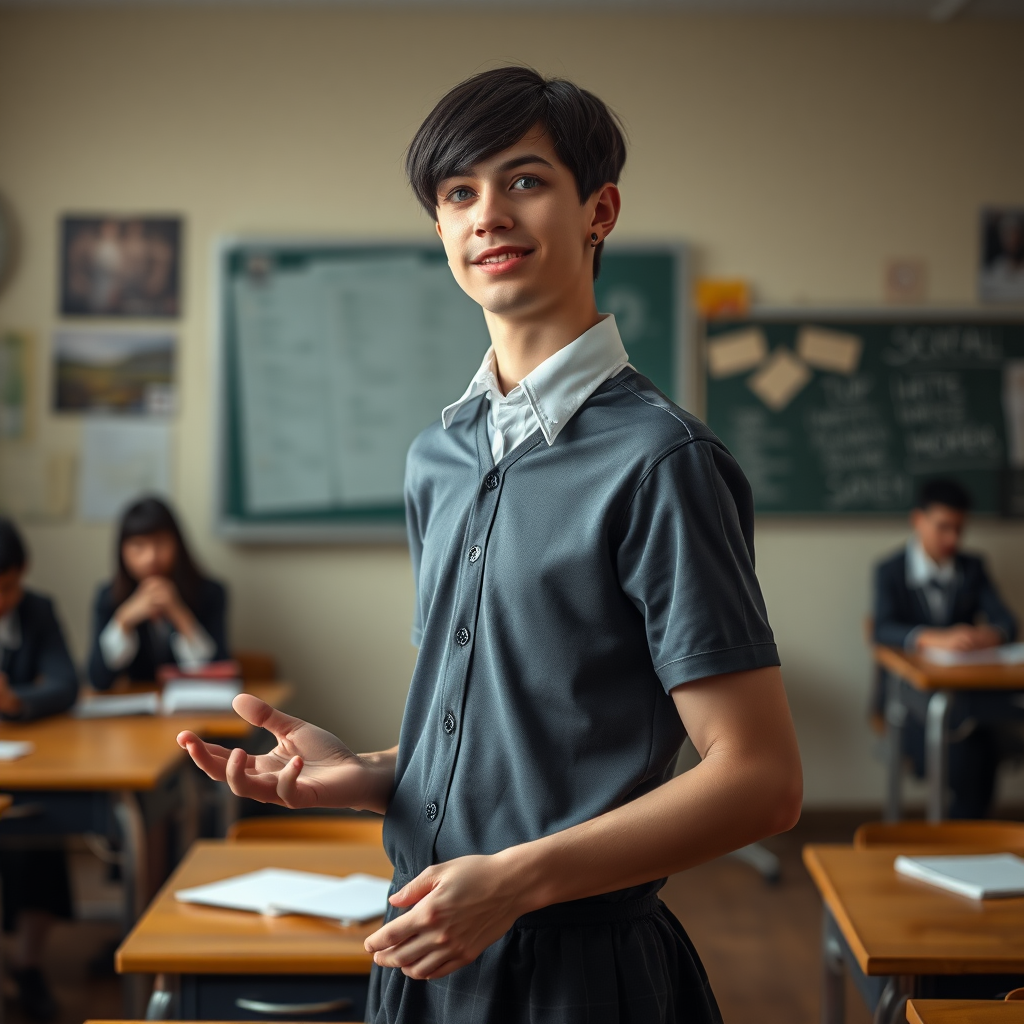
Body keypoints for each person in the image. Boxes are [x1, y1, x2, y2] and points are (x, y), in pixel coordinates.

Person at [178, 66, 802, 1024]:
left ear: (600, 210)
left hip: (579, 975)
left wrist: (515, 881)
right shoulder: (439, 456)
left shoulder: (660, 460)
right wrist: (376, 775)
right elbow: (524, 730)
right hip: (425, 948)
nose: (487, 215)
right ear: (439, 230)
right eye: (458, 193)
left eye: (524, 182)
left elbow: (760, 782)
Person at [873, 478, 1019, 819]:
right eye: (943, 528)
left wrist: (989, 635)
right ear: (918, 520)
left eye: (960, 529)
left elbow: (1007, 623)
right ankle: (960, 837)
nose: (952, 539)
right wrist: (932, 637)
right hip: (912, 702)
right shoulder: (890, 571)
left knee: (983, 746)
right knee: (971, 757)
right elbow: (882, 629)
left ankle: (967, 836)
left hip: (973, 699)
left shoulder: (973, 567)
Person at [0, 517, 78, 1022]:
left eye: (5, 588)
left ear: (22, 574)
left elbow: (66, 684)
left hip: (28, 762)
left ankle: (29, 967)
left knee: (42, 836)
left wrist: (15, 701)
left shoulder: (38, 611)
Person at [87, 496, 228, 690]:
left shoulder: (209, 593)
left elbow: (221, 673)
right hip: (138, 715)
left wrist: (179, 614)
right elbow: (98, 680)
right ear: (123, 551)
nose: (151, 557)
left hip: (193, 710)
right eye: (138, 545)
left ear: (177, 544)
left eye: (161, 543)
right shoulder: (109, 597)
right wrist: (124, 620)